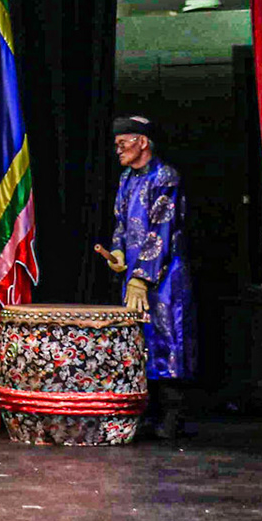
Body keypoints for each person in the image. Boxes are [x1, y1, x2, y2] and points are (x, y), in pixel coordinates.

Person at [97, 113, 197, 440]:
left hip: (165, 276)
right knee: (138, 341)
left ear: (141, 142)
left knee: (167, 338)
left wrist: (141, 277)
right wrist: (118, 253)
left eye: (122, 143)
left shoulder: (165, 177)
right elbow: (121, 224)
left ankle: (173, 415)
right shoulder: (127, 178)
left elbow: (161, 230)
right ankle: (145, 413)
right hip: (135, 275)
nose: (118, 149)